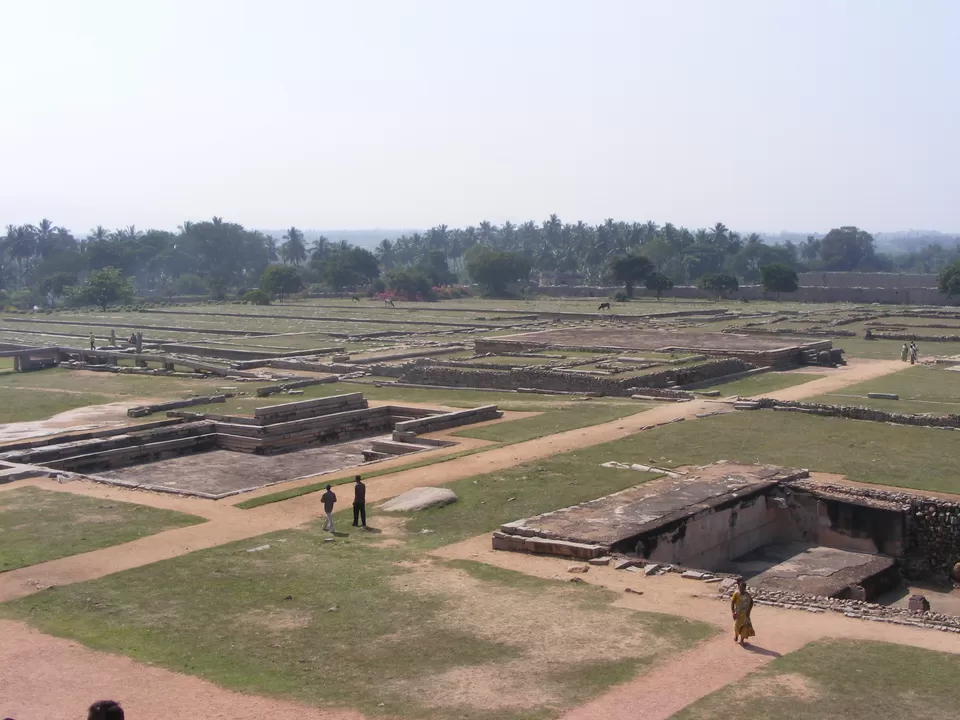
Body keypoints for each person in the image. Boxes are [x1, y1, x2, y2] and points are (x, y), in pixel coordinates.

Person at [731, 578, 755, 646]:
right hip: (738, 614)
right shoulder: (736, 594)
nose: (740, 589)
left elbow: (751, 603)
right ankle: (736, 635)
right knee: (736, 626)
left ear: (744, 588)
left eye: (742, 588)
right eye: (739, 587)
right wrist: (733, 612)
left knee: (744, 628)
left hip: (745, 614)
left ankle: (742, 640)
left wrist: (748, 611)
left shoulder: (747, 595)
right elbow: (732, 603)